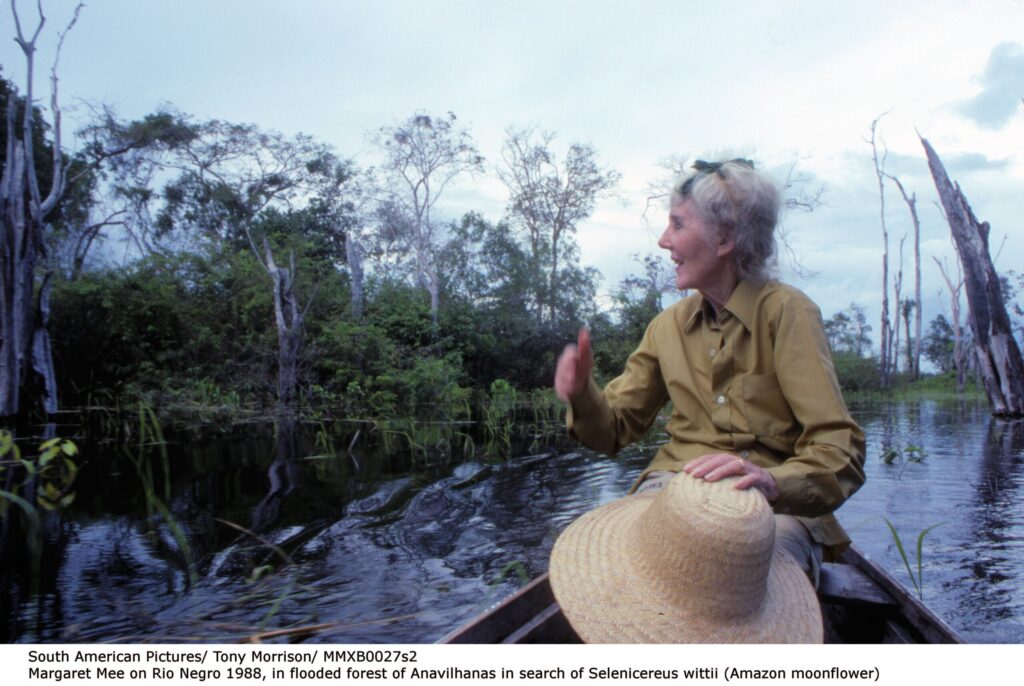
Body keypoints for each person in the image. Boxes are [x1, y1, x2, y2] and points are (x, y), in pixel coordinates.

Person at [553, 158, 866, 582]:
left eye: (678, 224)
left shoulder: (788, 313)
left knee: (748, 573)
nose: (664, 240)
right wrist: (581, 393)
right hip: (674, 489)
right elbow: (613, 429)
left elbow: (838, 448)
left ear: (724, 238)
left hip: (772, 506)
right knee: (627, 568)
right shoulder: (666, 327)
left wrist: (772, 483)